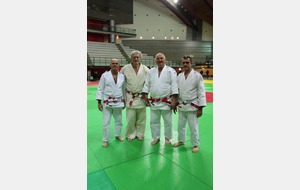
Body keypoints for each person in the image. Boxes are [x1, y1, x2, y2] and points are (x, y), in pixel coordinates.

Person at [142, 53, 178, 145]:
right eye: (158, 58)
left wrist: (174, 100)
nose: (160, 60)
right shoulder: (151, 71)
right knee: (154, 121)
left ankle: (167, 138)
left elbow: (174, 85)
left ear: (165, 59)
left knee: (168, 122)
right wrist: (145, 95)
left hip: (166, 102)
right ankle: (156, 137)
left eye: (161, 58)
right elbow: (147, 84)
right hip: (154, 101)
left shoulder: (171, 71)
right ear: (155, 60)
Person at [173, 55, 206, 153]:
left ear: (191, 63)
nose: (185, 64)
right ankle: (181, 140)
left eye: (187, 62)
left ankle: (195, 144)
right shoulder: (179, 76)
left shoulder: (197, 76)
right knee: (180, 125)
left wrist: (201, 108)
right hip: (182, 105)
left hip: (192, 106)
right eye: (183, 63)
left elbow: (201, 92)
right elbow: (176, 90)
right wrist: (174, 102)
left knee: (193, 127)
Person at [120, 50, 150, 142]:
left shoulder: (145, 69)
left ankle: (140, 133)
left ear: (140, 58)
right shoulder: (125, 69)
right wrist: (122, 98)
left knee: (141, 117)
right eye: (134, 57)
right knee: (130, 118)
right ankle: (130, 134)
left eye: (137, 57)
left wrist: (146, 95)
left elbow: (148, 83)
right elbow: (121, 84)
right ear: (131, 58)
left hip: (141, 97)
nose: (136, 58)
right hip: (130, 97)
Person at [96, 58, 125, 147]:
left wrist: (124, 101)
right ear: (110, 65)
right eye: (113, 63)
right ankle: (105, 139)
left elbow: (123, 89)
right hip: (107, 102)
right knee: (106, 122)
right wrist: (99, 102)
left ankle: (117, 135)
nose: (115, 65)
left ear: (119, 65)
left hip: (119, 101)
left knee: (119, 121)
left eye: (116, 63)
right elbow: (100, 89)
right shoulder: (105, 75)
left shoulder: (122, 76)